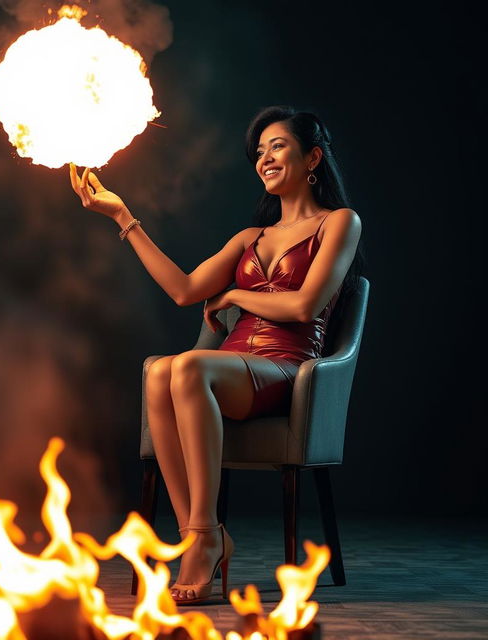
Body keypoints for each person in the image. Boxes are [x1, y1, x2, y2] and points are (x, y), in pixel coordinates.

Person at [69, 105, 363, 605]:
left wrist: (235, 296)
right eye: (259, 151)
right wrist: (123, 216)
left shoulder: (339, 222)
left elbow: (306, 304)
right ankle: (200, 536)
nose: (264, 158)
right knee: (162, 370)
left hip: (288, 369)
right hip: (231, 368)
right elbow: (184, 290)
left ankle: (204, 539)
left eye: (278, 146)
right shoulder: (250, 238)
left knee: (186, 364)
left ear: (313, 157)